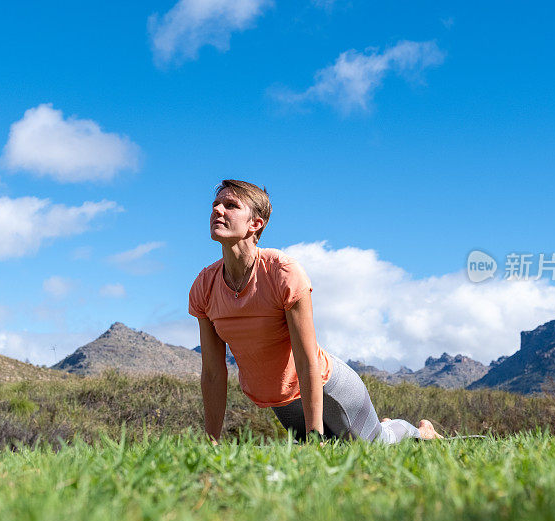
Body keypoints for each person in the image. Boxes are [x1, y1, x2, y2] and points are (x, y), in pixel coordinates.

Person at [188, 179, 442, 444]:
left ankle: (418, 431)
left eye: (230, 205)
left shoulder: (281, 272)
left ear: (255, 223)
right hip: (282, 400)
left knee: (377, 446)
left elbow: (306, 358)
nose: (218, 210)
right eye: (215, 204)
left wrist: (314, 434)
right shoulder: (205, 285)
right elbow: (213, 373)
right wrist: (211, 442)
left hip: (328, 389)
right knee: (331, 451)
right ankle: (378, 425)